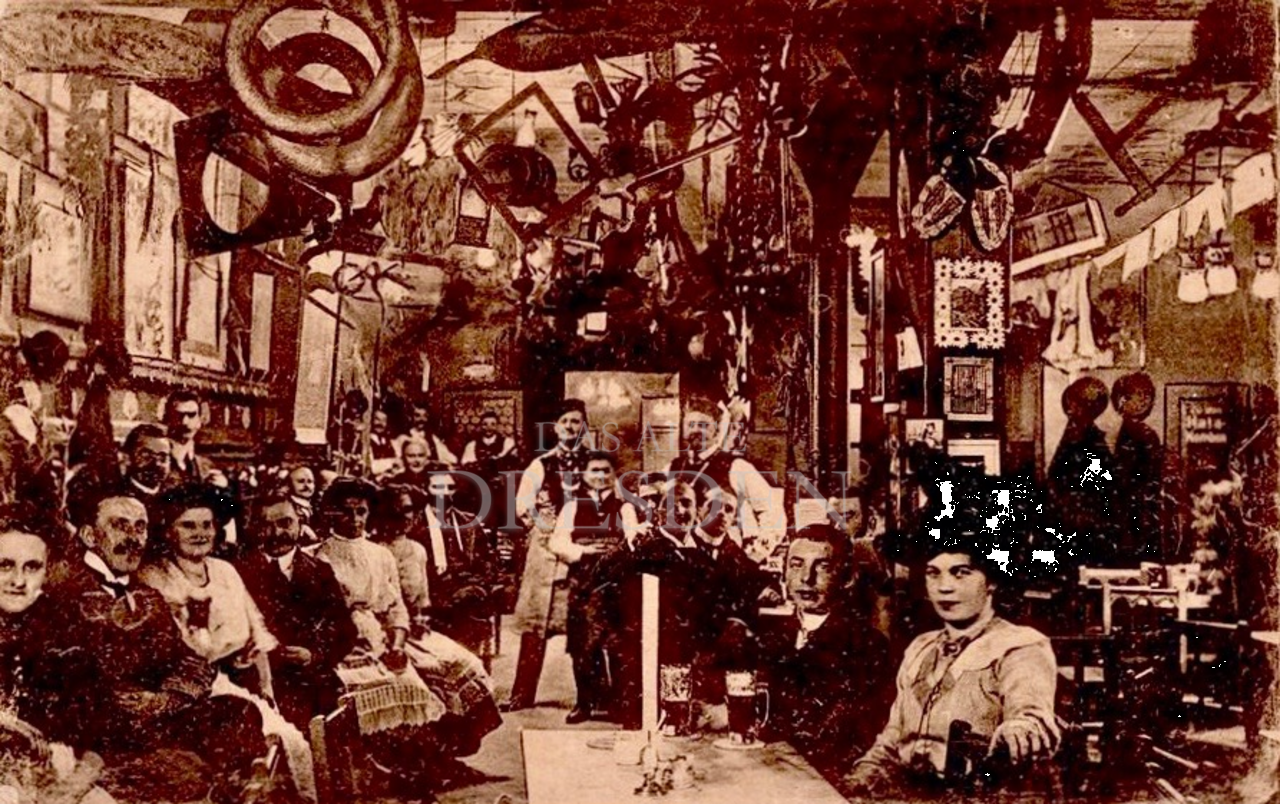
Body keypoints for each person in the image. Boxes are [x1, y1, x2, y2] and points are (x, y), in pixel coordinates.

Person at [53, 491, 269, 804]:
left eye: (140, 527)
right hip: (103, 734)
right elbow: (80, 685)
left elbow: (192, 661)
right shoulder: (67, 592)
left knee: (238, 711)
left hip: (155, 718)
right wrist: (143, 705)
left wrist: (166, 700)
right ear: (89, 536)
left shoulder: (145, 593)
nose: (133, 538)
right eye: (120, 525)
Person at [844, 486, 1060, 798]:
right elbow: (893, 741)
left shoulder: (1019, 647)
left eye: (961, 573)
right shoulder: (921, 649)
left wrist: (1019, 730)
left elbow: (1032, 715)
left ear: (992, 581)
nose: (944, 587)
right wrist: (860, 778)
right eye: (934, 573)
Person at [139, 484, 316, 802]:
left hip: (237, 682)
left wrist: (266, 688)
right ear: (168, 532)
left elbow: (256, 633)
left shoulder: (225, 571)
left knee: (292, 742)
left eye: (206, 525)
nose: (199, 534)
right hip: (190, 690)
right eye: (188, 525)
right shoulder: (155, 578)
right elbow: (184, 648)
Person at [316, 477, 500, 761]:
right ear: (331, 513)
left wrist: (398, 645)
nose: (354, 519)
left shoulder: (380, 554)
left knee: (460, 663)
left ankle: (444, 758)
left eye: (361, 511)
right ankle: (407, 764)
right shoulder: (320, 556)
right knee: (411, 683)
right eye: (345, 512)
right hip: (348, 640)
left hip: (387, 633)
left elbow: (396, 607)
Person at [753, 524, 894, 780]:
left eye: (823, 567)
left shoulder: (868, 647)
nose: (806, 578)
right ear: (783, 573)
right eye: (796, 565)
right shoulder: (772, 637)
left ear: (848, 578)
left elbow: (853, 739)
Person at [0, 511, 120, 804]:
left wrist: (65, 793)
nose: (18, 580)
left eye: (32, 567)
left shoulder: (68, 633)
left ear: (47, 571)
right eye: (4, 566)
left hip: (49, 779)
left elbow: (98, 738)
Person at [236, 493, 358, 729]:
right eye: (266, 525)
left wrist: (314, 655)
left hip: (315, 678)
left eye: (285, 523)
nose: (276, 533)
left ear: (300, 523)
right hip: (261, 683)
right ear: (254, 528)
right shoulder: (238, 573)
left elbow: (345, 631)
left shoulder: (320, 571)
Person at [548, 450, 642, 723]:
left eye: (606, 471)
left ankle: (621, 704)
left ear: (614, 475)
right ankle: (585, 703)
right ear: (584, 474)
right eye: (594, 470)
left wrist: (615, 553)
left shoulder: (625, 508)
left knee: (618, 644)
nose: (600, 476)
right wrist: (583, 551)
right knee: (583, 645)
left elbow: (632, 540)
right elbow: (557, 542)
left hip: (616, 582)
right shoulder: (572, 507)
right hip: (584, 582)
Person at [664, 399, 783, 563]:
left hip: (723, 560)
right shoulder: (672, 467)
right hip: (681, 560)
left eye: (703, 425)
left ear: (717, 430)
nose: (696, 430)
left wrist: (756, 554)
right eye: (690, 425)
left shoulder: (736, 466)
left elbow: (773, 513)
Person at [502, 488, 569, 712]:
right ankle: (522, 694)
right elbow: (521, 507)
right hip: (540, 564)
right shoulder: (539, 474)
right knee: (532, 631)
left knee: (586, 634)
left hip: (571, 562)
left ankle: (599, 697)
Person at [420, 464, 498, 656]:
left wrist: (476, 586)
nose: (444, 493)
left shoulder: (468, 522)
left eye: (450, 487)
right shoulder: (416, 525)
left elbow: (487, 562)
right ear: (425, 489)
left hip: (467, 599)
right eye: (437, 487)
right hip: (432, 599)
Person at [1044, 377, 1119, 573]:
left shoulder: (1087, 440)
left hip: (1081, 528)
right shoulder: (1075, 435)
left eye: (1074, 404)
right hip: (1072, 525)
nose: (1069, 409)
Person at [1111, 372, 1165, 565]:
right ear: (1122, 399)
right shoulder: (1139, 433)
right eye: (1139, 394)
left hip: (1137, 513)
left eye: (1149, 395)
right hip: (1134, 515)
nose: (1145, 400)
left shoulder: (1139, 432)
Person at [514, 398, 592, 526]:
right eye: (563, 421)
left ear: (585, 428)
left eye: (575, 421)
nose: (568, 426)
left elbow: (613, 501)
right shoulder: (540, 465)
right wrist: (545, 527)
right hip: (550, 533)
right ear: (556, 427)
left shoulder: (597, 463)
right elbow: (522, 507)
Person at [164, 390, 219, 484]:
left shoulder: (206, 467)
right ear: (167, 418)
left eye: (191, 415)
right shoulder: (158, 460)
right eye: (178, 415)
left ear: (200, 420)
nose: (184, 422)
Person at [393, 400, 458, 467]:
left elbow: (451, 458)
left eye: (425, 416)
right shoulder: (403, 438)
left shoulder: (432, 438)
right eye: (417, 416)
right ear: (410, 417)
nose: (421, 419)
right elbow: (397, 461)